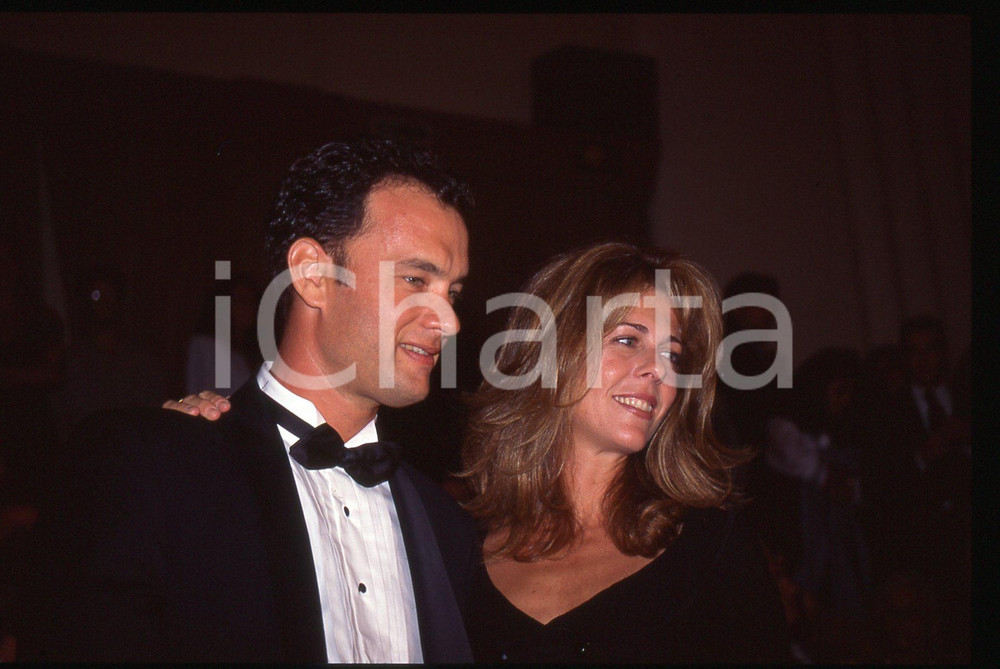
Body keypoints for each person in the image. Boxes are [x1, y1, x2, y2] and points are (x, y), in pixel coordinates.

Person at [174, 242, 792, 663]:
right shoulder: (453, 545)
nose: (655, 372)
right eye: (628, 339)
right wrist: (219, 427)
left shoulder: (709, 549)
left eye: (674, 356)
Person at [19, 138, 479, 662]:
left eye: (453, 294)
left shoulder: (449, 529)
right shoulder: (150, 467)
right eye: (416, 279)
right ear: (312, 273)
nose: (449, 320)